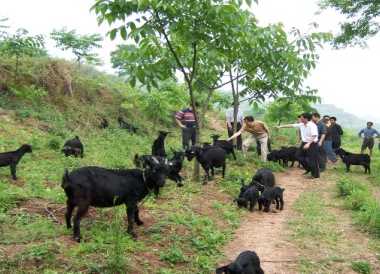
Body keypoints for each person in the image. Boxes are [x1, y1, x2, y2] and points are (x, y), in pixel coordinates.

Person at [276, 112, 320, 179]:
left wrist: (309, 143)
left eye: (301, 118)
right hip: (304, 143)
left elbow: (314, 135)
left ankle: (315, 175)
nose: (300, 119)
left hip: (312, 143)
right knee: (298, 155)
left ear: (306, 119)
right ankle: (308, 168)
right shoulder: (302, 124)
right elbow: (291, 125)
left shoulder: (312, 125)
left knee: (312, 159)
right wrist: (280, 126)